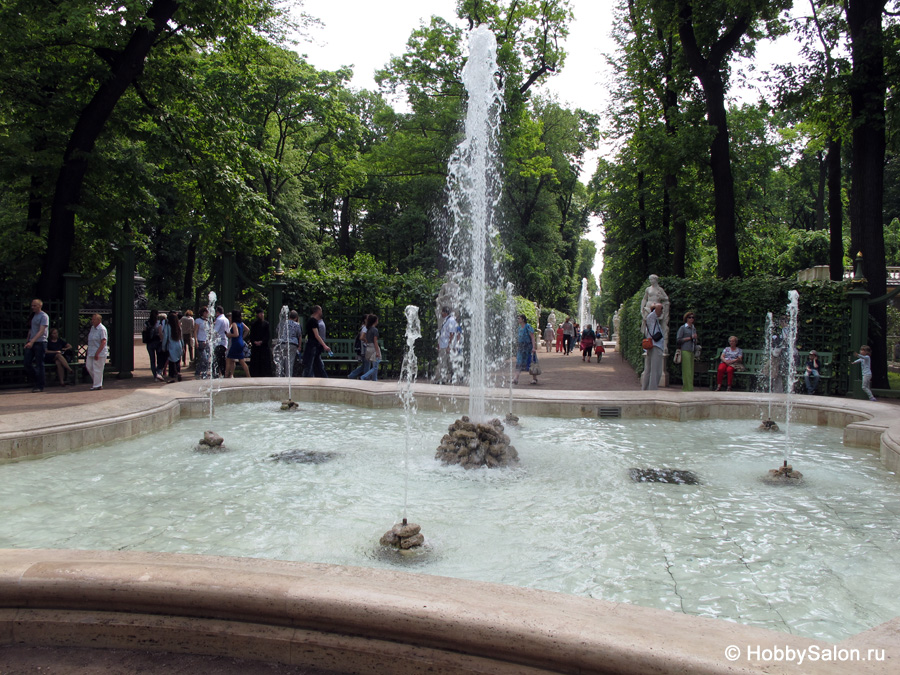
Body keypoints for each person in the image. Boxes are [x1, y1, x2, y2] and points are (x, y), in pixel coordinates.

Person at [24, 298, 49, 392]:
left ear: (40, 306)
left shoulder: (44, 316)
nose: (32, 307)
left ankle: (40, 385)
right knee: (27, 363)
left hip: (40, 342)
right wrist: (28, 340)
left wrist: (32, 341)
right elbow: (31, 329)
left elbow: (41, 331)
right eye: (32, 305)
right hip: (32, 342)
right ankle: (37, 379)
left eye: (34, 305)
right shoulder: (33, 316)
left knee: (39, 364)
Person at [641, 303, 665, 390]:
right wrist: (657, 305)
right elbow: (658, 307)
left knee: (649, 370)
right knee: (656, 370)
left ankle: (645, 389)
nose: (661, 311)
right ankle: (652, 390)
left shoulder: (653, 320)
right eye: (661, 310)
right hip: (655, 346)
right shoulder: (652, 317)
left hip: (653, 346)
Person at [301, 305, 330, 378]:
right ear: (318, 311)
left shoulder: (311, 320)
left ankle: (325, 378)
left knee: (318, 364)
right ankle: (306, 379)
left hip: (312, 345)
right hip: (312, 345)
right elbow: (317, 335)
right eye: (321, 311)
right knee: (309, 365)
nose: (322, 312)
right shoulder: (313, 321)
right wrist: (324, 346)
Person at [434, 307, 459, 384]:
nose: (441, 313)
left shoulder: (451, 320)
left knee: (447, 362)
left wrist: (449, 346)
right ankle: (447, 378)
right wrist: (439, 344)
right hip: (443, 345)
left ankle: (446, 379)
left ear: (446, 313)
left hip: (446, 346)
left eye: (442, 312)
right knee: (445, 362)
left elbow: (452, 334)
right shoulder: (446, 320)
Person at [512, 313, 538, 385]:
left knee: (531, 363)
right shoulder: (519, 328)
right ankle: (516, 378)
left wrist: (533, 347)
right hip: (521, 347)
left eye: (519, 318)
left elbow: (532, 337)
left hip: (528, 348)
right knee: (519, 362)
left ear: (523, 319)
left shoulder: (528, 326)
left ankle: (534, 378)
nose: (518, 320)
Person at [676, 312, 698, 392]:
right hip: (685, 349)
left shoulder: (693, 328)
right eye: (690, 317)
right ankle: (686, 388)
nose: (691, 319)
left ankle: (690, 388)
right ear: (686, 318)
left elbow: (694, 340)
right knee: (686, 370)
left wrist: (695, 339)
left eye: (692, 317)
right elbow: (679, 340)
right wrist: (690, 338)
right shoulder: (683, 328)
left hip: (692, 350)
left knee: (691, 370)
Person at [225, 309, 251, 378]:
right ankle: (248, 376)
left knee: (228, 359)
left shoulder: (234, 324)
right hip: (241, 343)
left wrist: (229, 335)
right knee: (241, 361)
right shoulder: (241, 323)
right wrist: (242, 337)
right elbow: (247, 329)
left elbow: (236, 334)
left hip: (235, 343)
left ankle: (226, 375)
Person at [86, 313, 108, 391]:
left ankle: (97, 385)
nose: (92, 321)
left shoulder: (102, 329)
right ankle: (97, 382)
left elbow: (103, 341)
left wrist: (97, 353)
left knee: (97, 368)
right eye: (92, 319)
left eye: (94, 319)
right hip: (91, 351)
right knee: (89, 366)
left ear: (99, 320)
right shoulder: (92, 328)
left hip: (99, 352)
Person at [249, 308, 273, 377]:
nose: (262, 315)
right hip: (256, 347)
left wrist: (262, 342)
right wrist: (254, 342)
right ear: (257, 315)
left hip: (263, 346)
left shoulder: (266, 324)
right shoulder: (254, 324)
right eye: (260, 313)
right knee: (255, 362)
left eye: (262, 313)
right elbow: (252, 335)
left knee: (264, 362)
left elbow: (267, 335)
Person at [359, 314, 382, 381]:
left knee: (374, 365)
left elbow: (362, 337)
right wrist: (377, 352)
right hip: (373, 348)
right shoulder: (375, 330)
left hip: (368, 348)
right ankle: (364, 376)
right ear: (375, 321)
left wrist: (366, 341)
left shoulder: (367, 329)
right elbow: (375, 342)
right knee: (375, 367)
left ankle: (375, 379)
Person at [348, 314, 371, 380]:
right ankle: (366, 378)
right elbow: (362, 338)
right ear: (365, 320)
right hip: (365, 348)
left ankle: (352, 375)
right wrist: (367, 341)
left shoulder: (363, 327)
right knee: (367, 364)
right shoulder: (365, 328)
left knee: (364, 365)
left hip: (363, 348)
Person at [144, 309, 165, 382]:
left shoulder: (147, 323)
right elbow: (160, 333)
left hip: (149, 342)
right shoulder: (158, 322)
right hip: (157, 342)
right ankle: (159, 373)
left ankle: (154, 375)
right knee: (160, 358)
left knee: (152, 360)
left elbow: (144, 331)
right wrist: (162, 341)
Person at [162, 310, 183, 382]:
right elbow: (181, 338)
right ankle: (178, 372)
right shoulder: (179, 327)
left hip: (171, 346)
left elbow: (165, 337)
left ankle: (172, 376)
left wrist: (163, 346)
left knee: (171, 361)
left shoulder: (168, 326)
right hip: (179, 345)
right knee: (178, 361)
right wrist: (182, 346)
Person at [194, 307, 210, 379]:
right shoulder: (198, 321)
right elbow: (195, 331)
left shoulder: (208, 321)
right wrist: (196, 341)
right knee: (204, 359)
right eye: (206, 312)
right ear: (203, 313)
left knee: (205, 359)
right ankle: (204, 373)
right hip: (200, 341)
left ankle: (198, 372)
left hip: (207, 341)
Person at [213, 305, 229, 378]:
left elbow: (215, 331)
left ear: (217, 312)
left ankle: (218, 374)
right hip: (225, 342)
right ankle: (223, 373)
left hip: (219, 342)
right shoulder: (226, 319)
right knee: (222, 359)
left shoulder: (219, 319)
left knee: (218, 360)